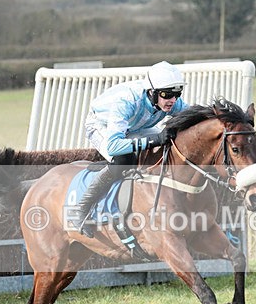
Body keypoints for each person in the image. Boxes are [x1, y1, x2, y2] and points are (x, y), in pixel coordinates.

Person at [74, 61, 188, 237]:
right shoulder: (127, 101)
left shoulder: (169, 101)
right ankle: (81, 207)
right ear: (152, 92)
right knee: (123, 159)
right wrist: (153, 140)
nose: (172, 100)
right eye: (167, 94)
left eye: (177, 94)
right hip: (101, 125)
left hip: (134, 127)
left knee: (166, 144)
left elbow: (196, 114)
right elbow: (113, 146)